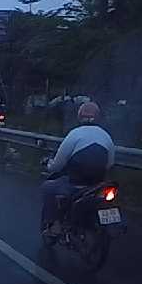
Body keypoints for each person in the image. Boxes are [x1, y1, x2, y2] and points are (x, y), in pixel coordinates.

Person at [40, 101, 116, 237]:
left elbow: (58, 165)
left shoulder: (74, 134)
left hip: (76, 183)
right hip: (97, 184)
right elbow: (110, 164)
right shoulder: (106, 136)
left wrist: (49, 165)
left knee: (48, 187)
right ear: (98, 117)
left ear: (79, 116)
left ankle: (55, 226)